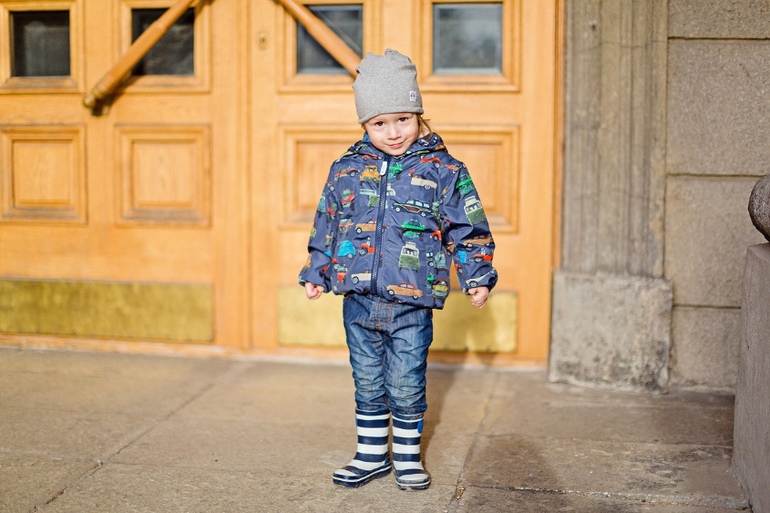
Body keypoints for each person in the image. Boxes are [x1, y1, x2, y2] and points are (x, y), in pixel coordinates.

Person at [298, 49, 497, 491]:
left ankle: (407, 457)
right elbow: (328, 221)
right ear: (365, 125)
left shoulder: (445, 170)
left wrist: (477, 276)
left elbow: (468, 227)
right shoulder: (346, 169)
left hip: (412, 302)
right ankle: (371, 455)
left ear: (418, 115)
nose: (393, 132)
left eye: (403, 119)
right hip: (359, 300)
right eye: (379, 123)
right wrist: (317, 270)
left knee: (405, 382)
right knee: (367, 380)